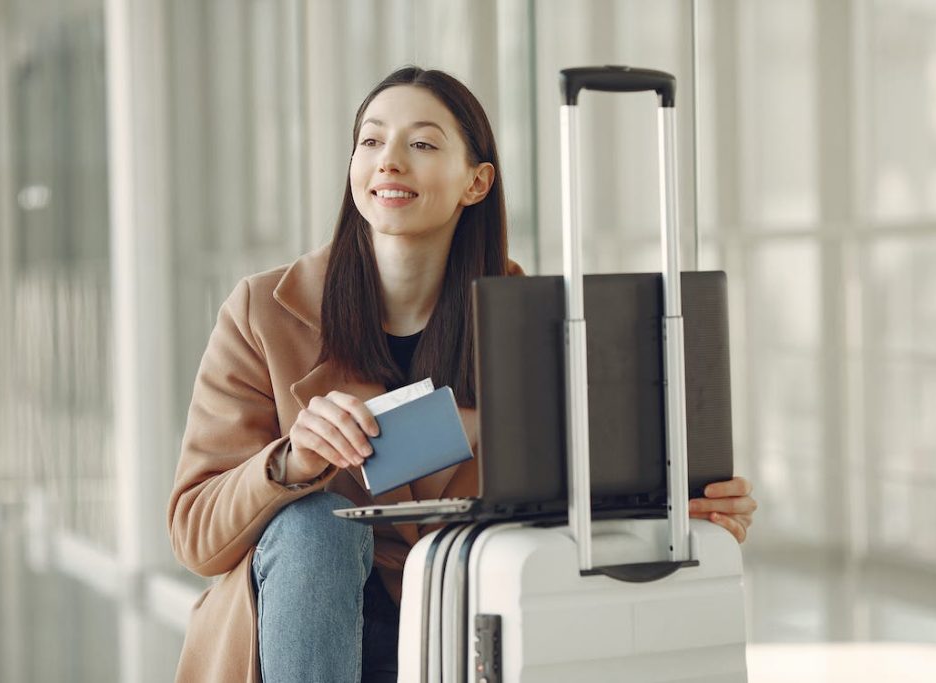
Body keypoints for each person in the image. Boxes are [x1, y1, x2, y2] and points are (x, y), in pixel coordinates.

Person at [167, 66, 757, 683]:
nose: (388, 161)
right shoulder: (265, 311)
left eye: (420, 144)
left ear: (476, 183)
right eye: (370, 142)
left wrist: (679, 510)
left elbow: (572, 495)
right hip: (303, 631)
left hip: (453, 626)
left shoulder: (533, 320)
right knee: (317, 528)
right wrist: (289, 465)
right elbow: (195, 536)